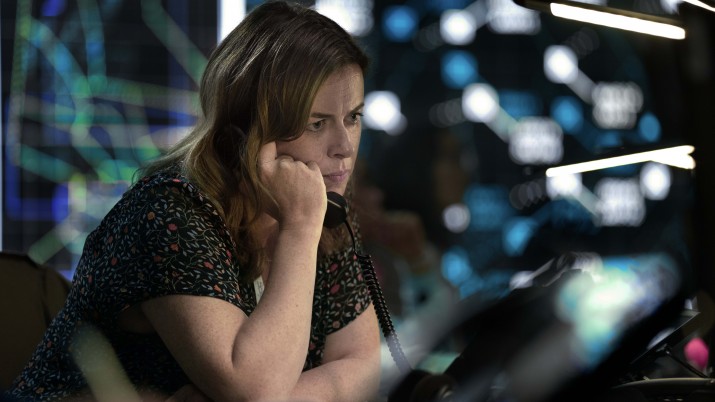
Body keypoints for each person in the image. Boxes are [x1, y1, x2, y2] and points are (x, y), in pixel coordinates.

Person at [9, 1, 380, 401]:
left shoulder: (320, 206)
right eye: (317, 123)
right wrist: (300, 229)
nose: (345, 147)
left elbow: (362, 362)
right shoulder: (168, 213)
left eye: (353, 118)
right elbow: (255, 387)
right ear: (250, 129)